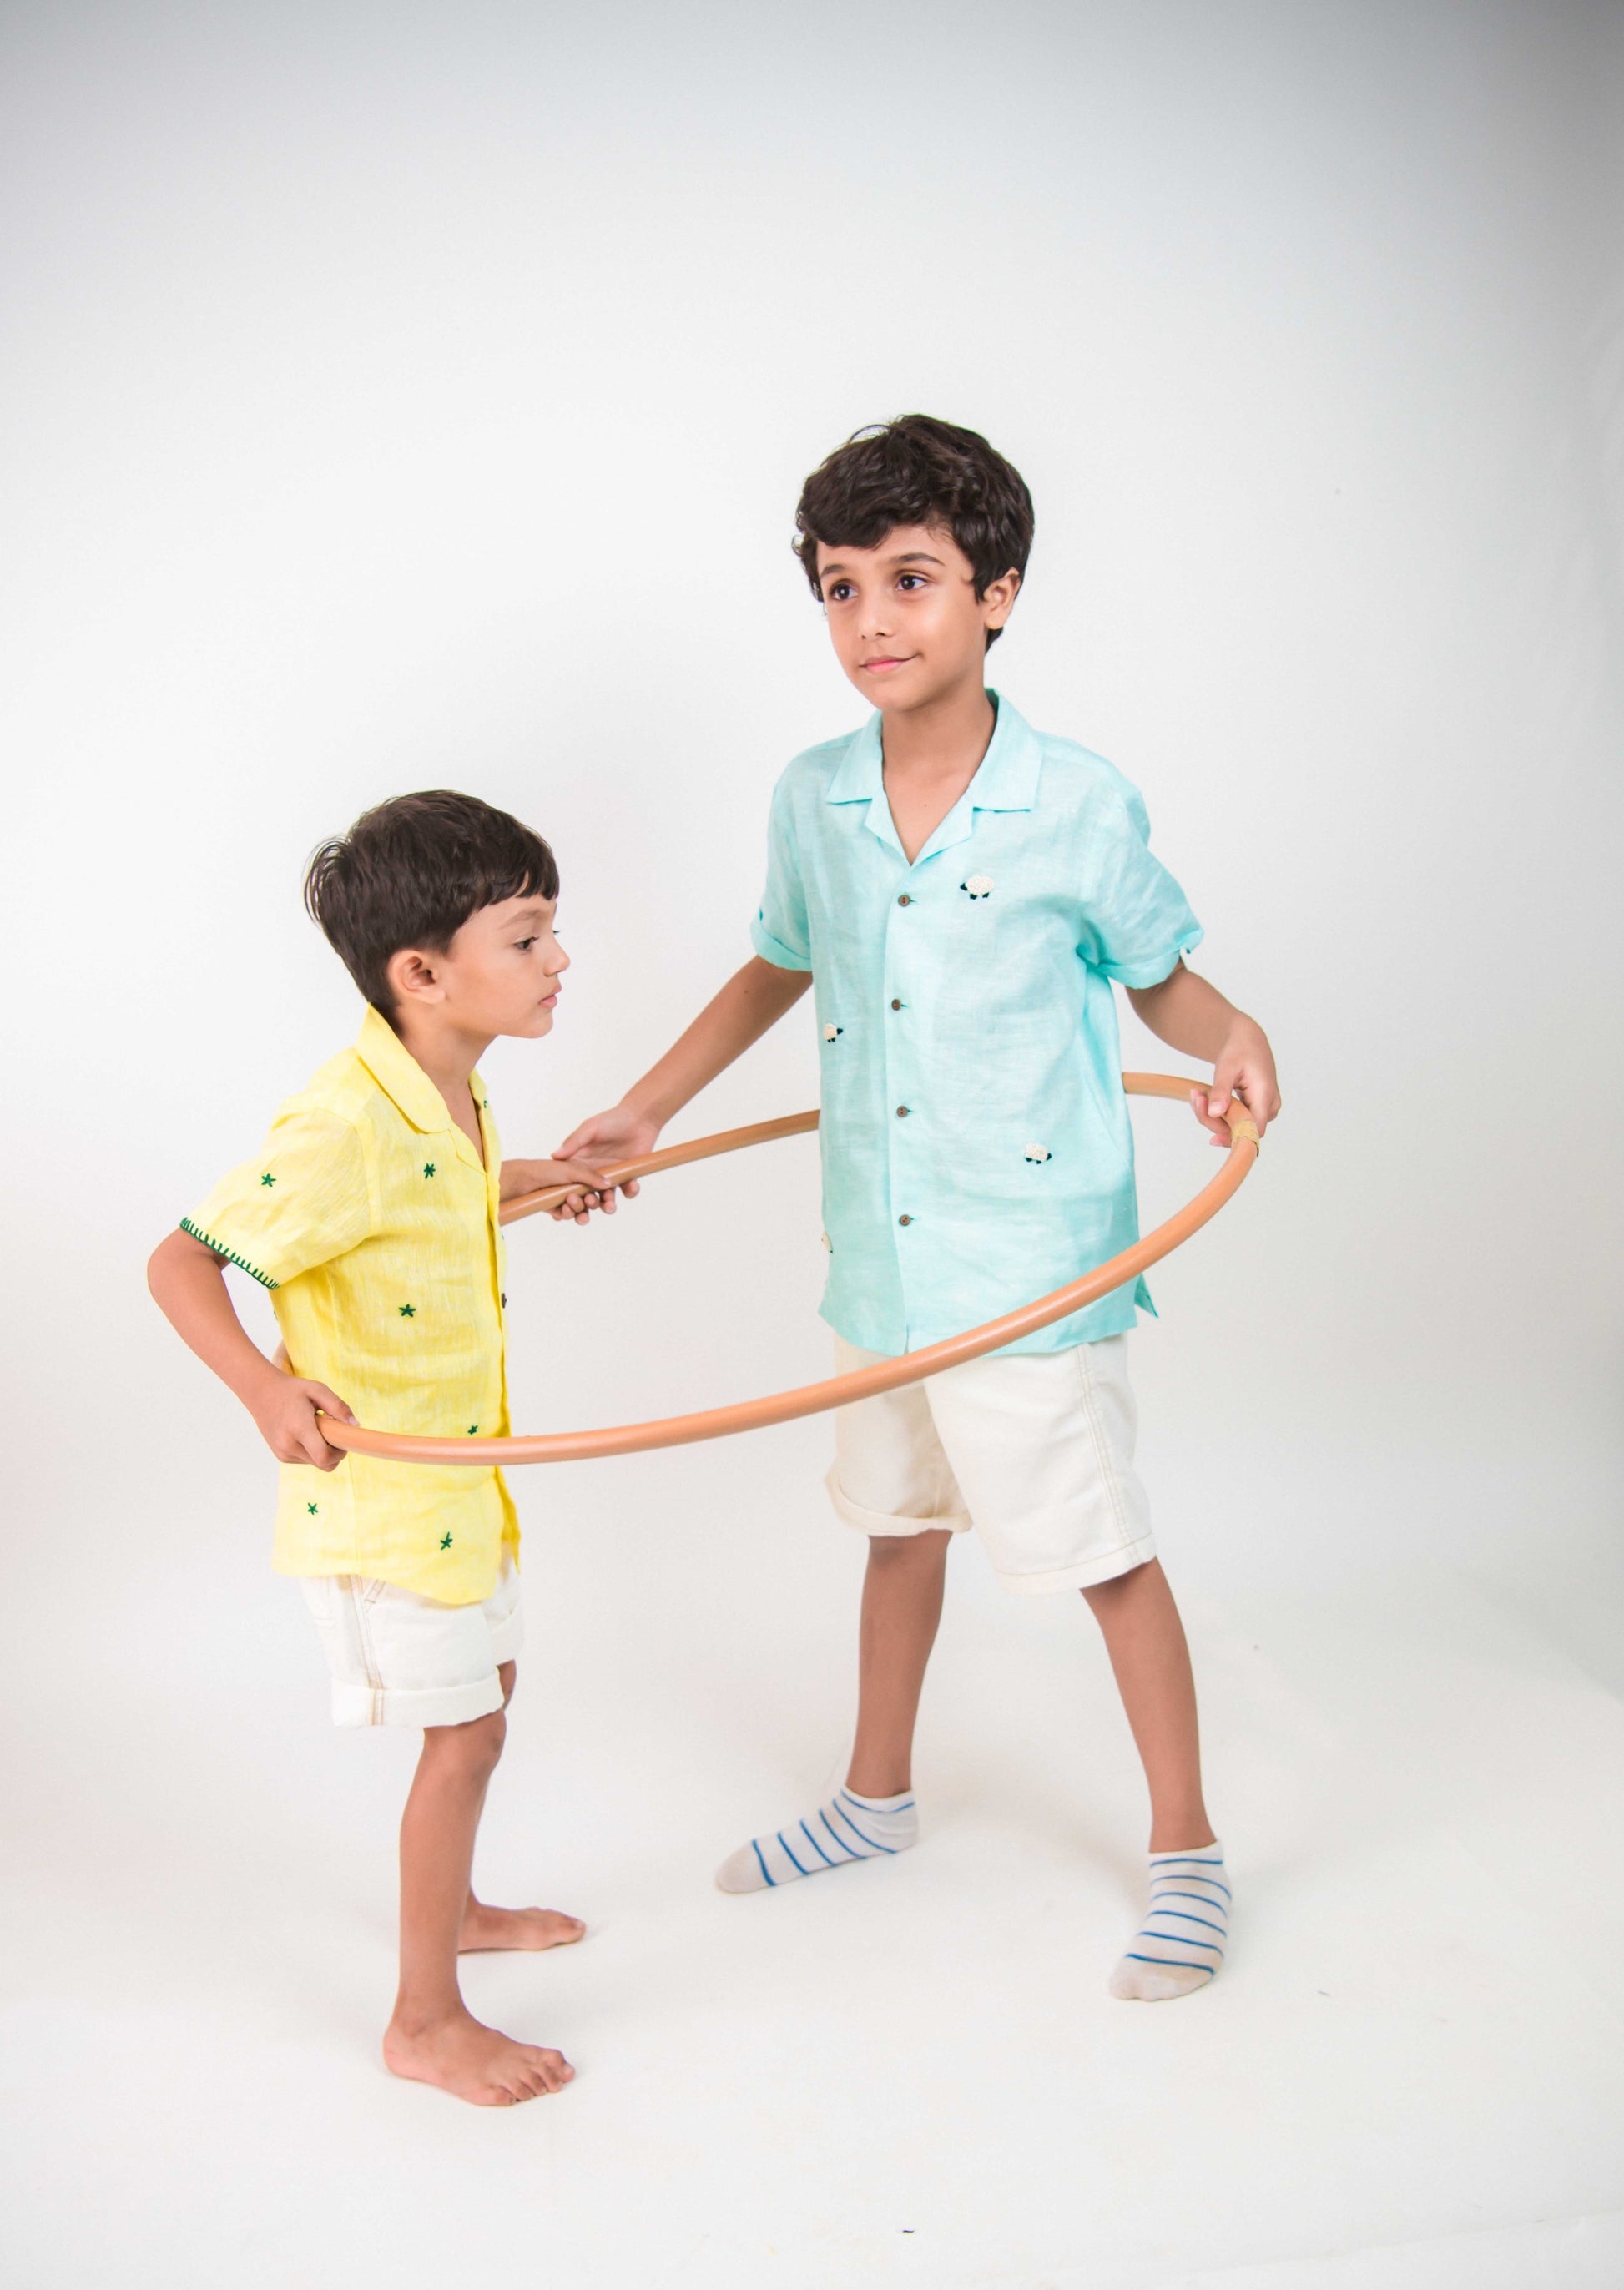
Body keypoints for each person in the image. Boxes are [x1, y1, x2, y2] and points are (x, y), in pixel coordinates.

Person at [560, 416, 1280, 1999]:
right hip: (879, 1259)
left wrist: (1230, 1039)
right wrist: (643, 1110)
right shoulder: (811, 793)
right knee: (895, 1529)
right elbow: (778, 958)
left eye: (910, 580)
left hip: (1027, 1259)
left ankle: (1186, 1850)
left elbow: (1162, 981)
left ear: (997, 593)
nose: (871, 623)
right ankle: (873, 1798)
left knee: (1099, 1552)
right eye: (837, 589)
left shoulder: (1075, 800)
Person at [148, 790, 625, 2101]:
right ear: (422, 972)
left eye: (550, 933)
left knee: (494, 1698)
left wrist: (518, 1182)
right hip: (383, 1501)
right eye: (527, 938)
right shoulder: (345, 1124)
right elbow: (182, 1262)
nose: (559, 961)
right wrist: (262, 1390)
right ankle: (424, 2020)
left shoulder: (443, 1095)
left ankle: (454, 1907)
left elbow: (418, 1223)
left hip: (467, 1487)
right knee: (461, 1738)